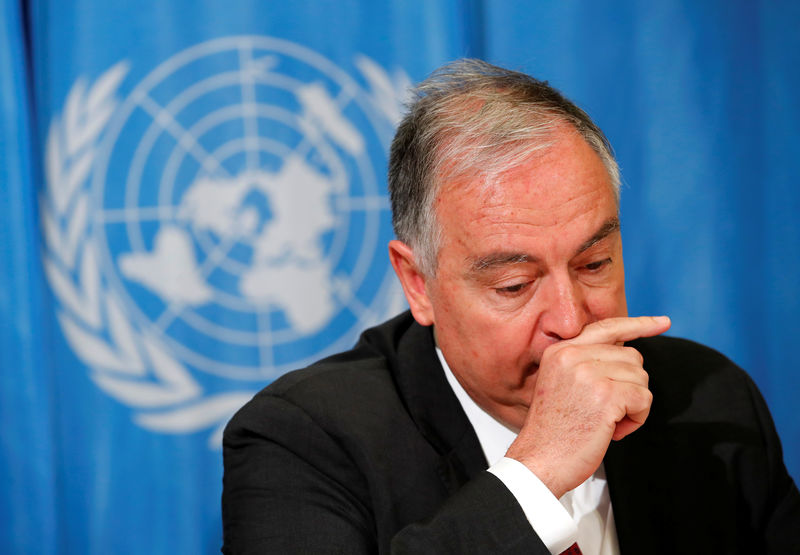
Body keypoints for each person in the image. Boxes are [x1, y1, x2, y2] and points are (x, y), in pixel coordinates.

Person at [221, 59, 800, 554]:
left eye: (594, 265)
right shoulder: (302, 441)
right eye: (515, 285)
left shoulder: (708, 401)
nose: (571, 322)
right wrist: (534, 476)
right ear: (418, 283)